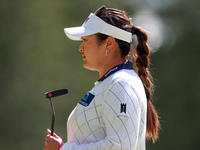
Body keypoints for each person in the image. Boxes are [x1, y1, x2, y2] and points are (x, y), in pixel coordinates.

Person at [44, 5, 160, 150]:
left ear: (109, 43)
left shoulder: (122, 83)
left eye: (85, 40)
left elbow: (121, 147)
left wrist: (64, 149)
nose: (80, 47)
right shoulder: (111, 82)